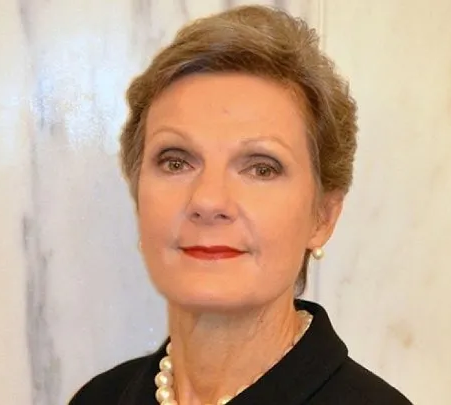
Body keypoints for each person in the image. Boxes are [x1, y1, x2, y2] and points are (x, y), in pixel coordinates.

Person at [69, 5, 412, 405]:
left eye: (261, 168)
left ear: (323, 217)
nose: (208, 200)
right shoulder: (99, 398)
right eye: (176, 162)